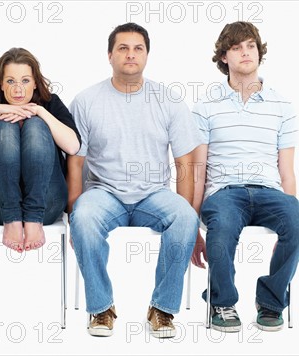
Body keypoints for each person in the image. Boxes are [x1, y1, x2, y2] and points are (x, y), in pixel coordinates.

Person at [67, 23, 201, 338]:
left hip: (153, 194)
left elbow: (184, 163)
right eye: (123, 48)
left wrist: (189, 212)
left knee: (185, 216)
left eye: (138, 48)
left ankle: (162, 309)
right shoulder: (87, 100)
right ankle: (101, 308)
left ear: (147, 55)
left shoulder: (168, 100)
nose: (131, 55)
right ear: (110, 55)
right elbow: (76, 161)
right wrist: (72, 212)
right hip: (104, 192)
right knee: (84, 217)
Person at [191, 21, 299, 332]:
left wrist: (289, 214)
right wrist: (193, 226)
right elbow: (197, 170)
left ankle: (270, 302)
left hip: (270, 192)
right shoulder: (205, 106)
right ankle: (223, 302)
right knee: (223, 228)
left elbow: (287, 170)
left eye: (251, 46)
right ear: (224, 58)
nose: (246, 53)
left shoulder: (282, 106)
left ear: (259, 53)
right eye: (236, 47)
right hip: (224, 192)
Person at [0, 48, 80, 253]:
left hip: (47, 202)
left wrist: (39, 111)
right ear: (0, 83)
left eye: (25, 81)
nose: (18, 89)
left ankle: (33, 218)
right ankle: (12, 218)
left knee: (35, 125)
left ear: (35, 82)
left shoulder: (50, 104)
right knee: (3, 125)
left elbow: (73, 146)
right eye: (10, 81)